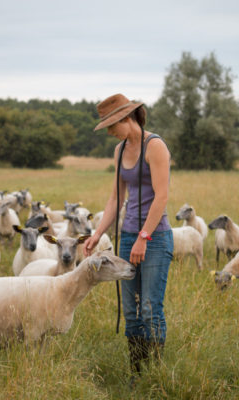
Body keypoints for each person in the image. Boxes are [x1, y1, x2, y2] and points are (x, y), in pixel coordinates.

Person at [83, 93, 173, 379]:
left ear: (127, 118)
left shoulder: (155, 146)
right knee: (132, 313)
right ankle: (137, 372)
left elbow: (162, 197)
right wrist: (98, 233)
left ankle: (156, 373)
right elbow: (116, 197)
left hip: (155, 238)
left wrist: (143, 237)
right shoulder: (120, 150)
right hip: (127, 235)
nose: (110, 132)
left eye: (112, 126)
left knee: (149, 308)